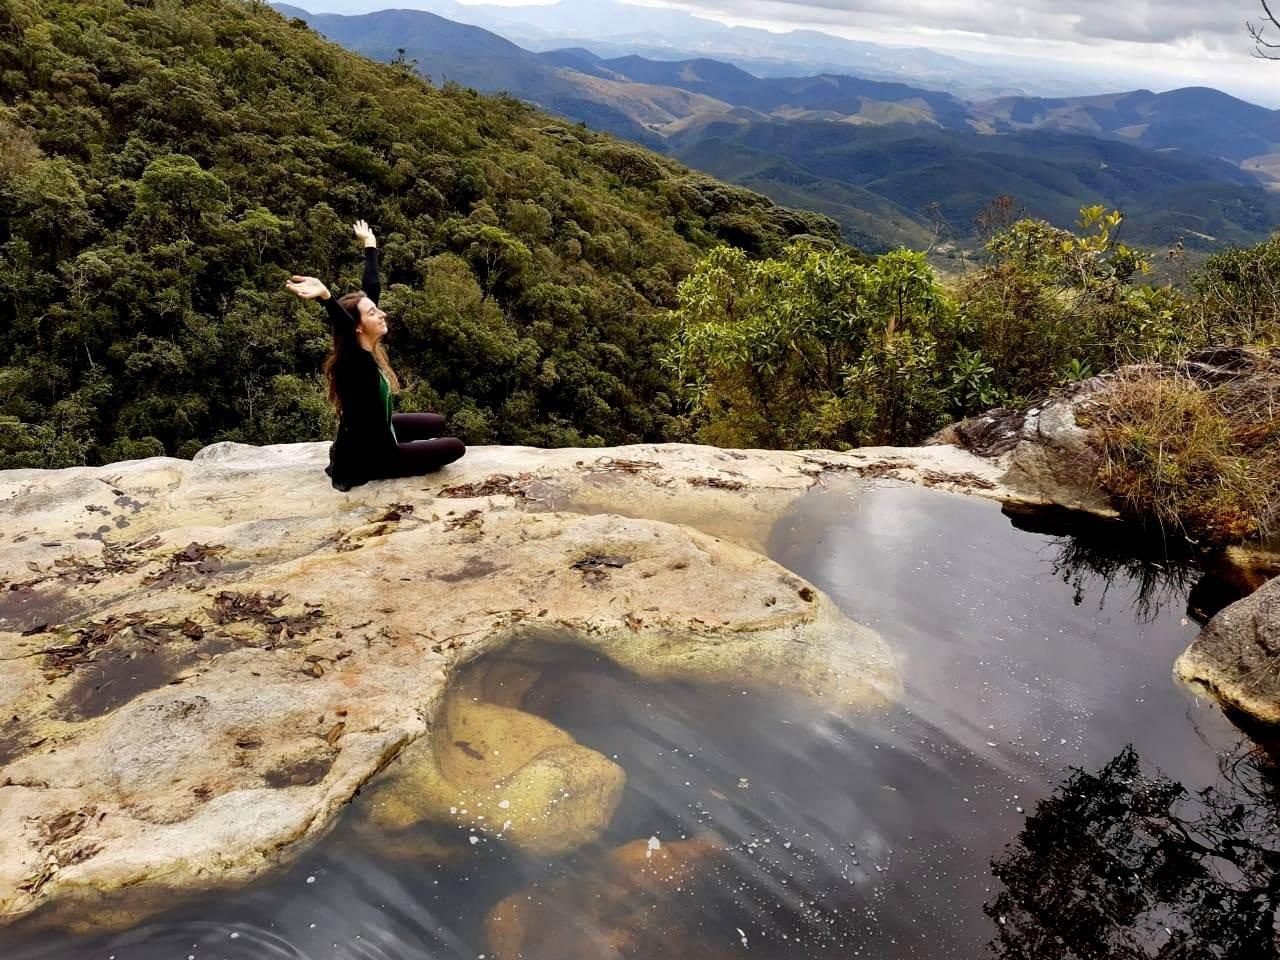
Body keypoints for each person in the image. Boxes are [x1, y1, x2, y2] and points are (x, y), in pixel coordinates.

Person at [286, 220, 465, 491]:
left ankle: (389, 442)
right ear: (357, 327)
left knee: (436, 422)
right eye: (373, 313)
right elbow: (344, 324)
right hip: (371, 457)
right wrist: (325, 297)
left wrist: (370, 246)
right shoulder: (354, 362)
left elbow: (372, 289)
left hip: (378, 431)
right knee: (455, 447)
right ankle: (383, 458)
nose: (382, 314)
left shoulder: (363, 344)